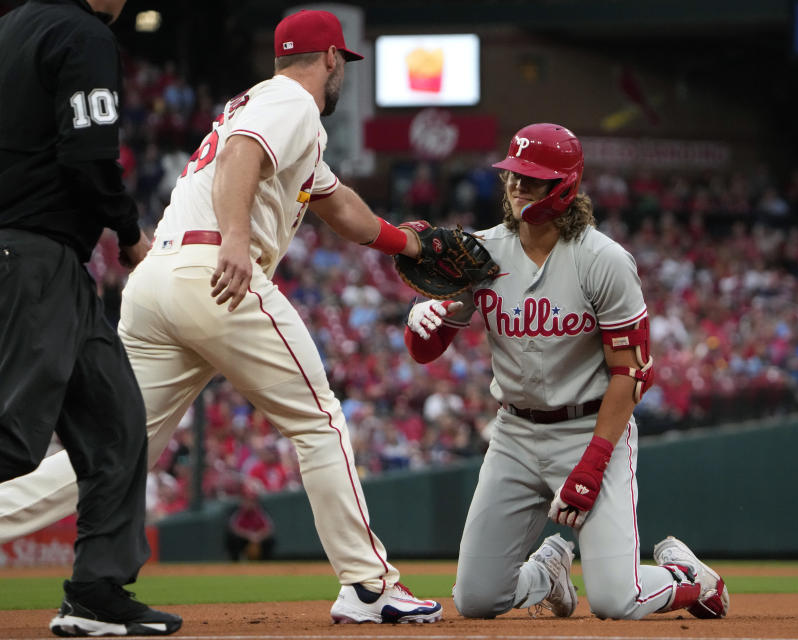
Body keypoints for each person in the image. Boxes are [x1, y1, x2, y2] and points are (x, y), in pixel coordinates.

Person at [0, 9, 442, 625]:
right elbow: (241, 155)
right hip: (216, 271)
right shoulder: (292, 102)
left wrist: (411, 246)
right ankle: (369, 584)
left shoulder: (269, 106)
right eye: (342, 64)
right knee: (319, 419)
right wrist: (236, 238)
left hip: (158, 280)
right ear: (333, 60)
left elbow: (339, 207)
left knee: (116, 451)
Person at [403, 123, 730, 621]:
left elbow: (633, 373)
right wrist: (421, 324)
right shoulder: (481, 252)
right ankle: (548, 575)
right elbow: (425, 352)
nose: (516, 186)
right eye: (513, 175)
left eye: (531, 178)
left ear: (564, 187)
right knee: (475, 598)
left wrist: (595, 462)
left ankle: (687, 580)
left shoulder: (603, 260)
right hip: (513, 433)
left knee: (616, 600)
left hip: (589, 427)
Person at [0, 0, 183, 636]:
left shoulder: (13, 27)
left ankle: (95, 592)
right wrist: (131, 234)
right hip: (29, 252)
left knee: (117, 423)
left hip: (49, 258)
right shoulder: (81, 32)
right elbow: (89, 153)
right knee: (13, 433)